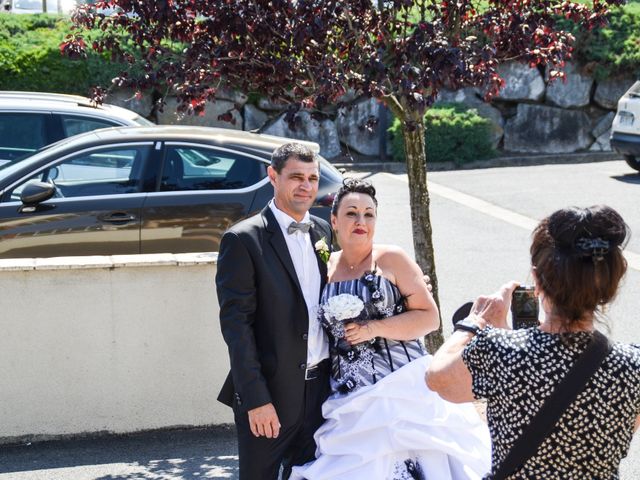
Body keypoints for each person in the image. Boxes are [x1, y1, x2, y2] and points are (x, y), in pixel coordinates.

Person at [291, 178, 491, 480]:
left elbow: (429, 318)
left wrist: (374, 328)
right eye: (351, 213)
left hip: (403, 386)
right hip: (349, 396)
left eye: (369, 214)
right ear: (334, 220)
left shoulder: (392, 259)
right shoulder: (324, 268)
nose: (361, 221)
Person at [427, 205, 640, 479]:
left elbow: (437, 378)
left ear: (537, 279)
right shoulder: (633, 367)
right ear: (611, 284)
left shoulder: (500, 350)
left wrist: (475, 321)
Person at [216, 142, 333, 479]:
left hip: (322, 392)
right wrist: (255, 399)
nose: (306, 186)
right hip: (271, 395)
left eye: (312, 178)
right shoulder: (242, 240)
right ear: (273, 176)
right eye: (296, 177)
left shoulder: (323, 232)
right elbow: (237, 328)